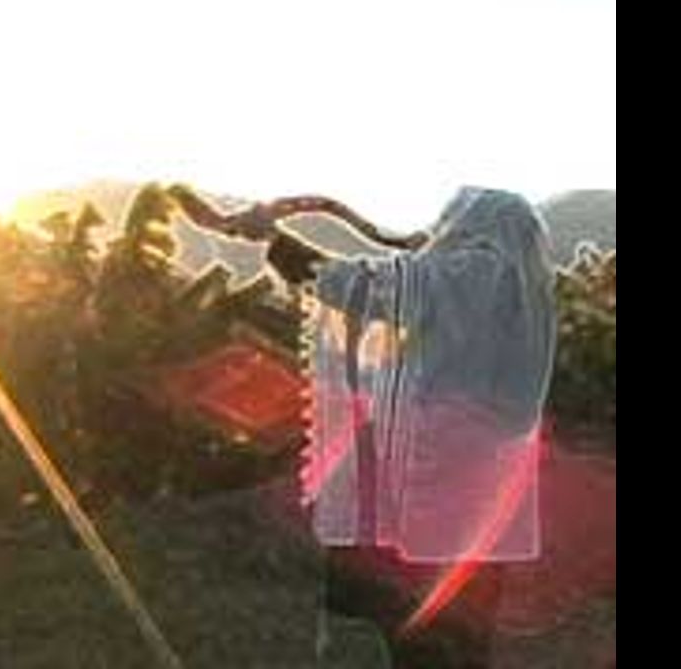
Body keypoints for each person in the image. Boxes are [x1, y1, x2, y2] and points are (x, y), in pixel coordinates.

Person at [237, 187, 558, 667]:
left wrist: (273, 239)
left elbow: (358, 290)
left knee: (420, 627)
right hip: (485, 487)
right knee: (461, 631)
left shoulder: (474, 275)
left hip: (430, 476)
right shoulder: (525, 292)